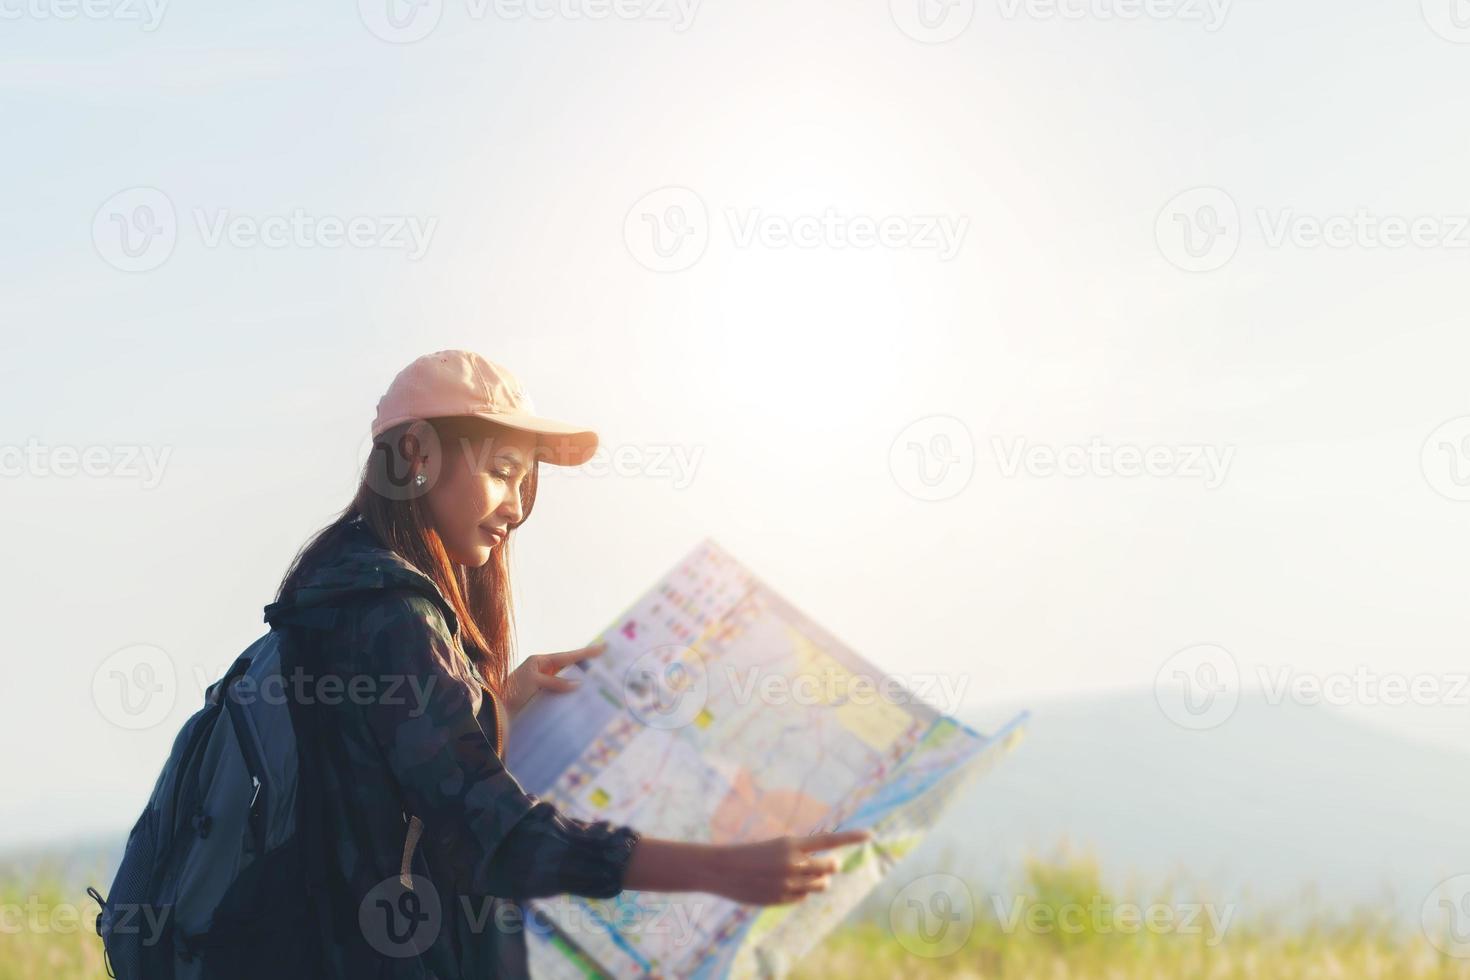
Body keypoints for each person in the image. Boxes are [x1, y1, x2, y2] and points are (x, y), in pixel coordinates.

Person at [266, 349, 868, 977]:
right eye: (502, 471)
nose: (517, 508)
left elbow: (376, 765)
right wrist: (719, 867)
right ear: (417, 454)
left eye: (525, 483)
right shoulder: (389, 611)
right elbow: (489, 828)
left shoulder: (335, 588)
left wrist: (496, 699)